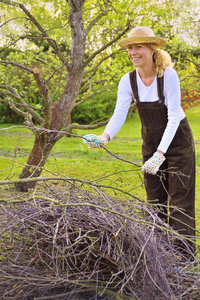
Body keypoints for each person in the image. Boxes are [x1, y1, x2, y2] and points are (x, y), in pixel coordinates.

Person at [83, 26, 196, 257]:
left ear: (152, 49)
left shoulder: (168, 75)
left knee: (179, 202)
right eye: (130, 47)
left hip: (178, 144)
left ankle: (183, 259)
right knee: (154, 201)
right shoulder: (128, 80)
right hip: (151, 144)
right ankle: (158, 256)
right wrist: (104, 137)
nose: (133, 52)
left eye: (139, 47)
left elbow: (174, 117)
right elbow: (119, 113)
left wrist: (160, 154)